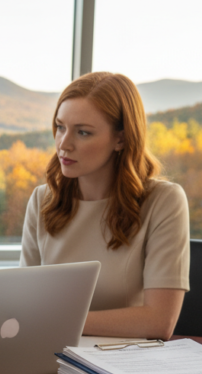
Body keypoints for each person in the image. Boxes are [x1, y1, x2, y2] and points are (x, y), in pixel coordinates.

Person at [20, 71, 189, 340]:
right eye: (60, 127)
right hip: (51, 352)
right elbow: (24, 303)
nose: (64, 144)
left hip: (127, 361)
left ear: (120, 139)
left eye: (83, 132)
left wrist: (57, 320)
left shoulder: (164, 200)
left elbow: (159, 322)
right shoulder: (43, 199)